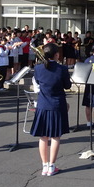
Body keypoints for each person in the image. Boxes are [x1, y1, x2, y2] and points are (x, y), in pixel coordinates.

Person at [29, 43, 72, 176]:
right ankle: (52, 166)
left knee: (43, 137)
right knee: (55, 137)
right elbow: (67, 85)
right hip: (57, 105)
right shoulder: (62, 69)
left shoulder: (38, 68)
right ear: (57, 54)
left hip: (42, 104)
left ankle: (44, 166)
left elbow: (37, 81)